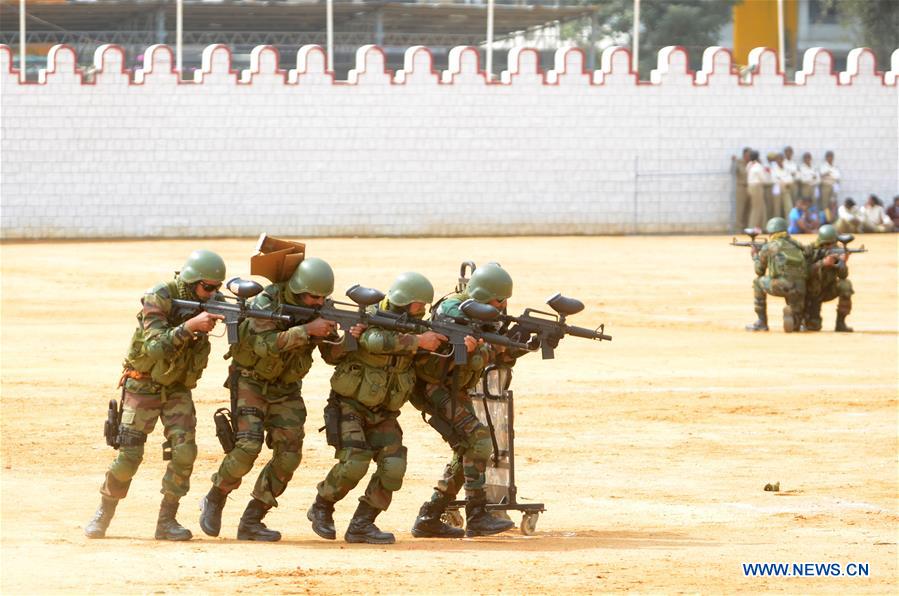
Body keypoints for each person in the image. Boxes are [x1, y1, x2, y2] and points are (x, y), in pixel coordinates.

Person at [199, 257, 351, 541]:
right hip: (251, 381)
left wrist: (345, 338)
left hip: (287, 388)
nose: (317, 302)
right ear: (297, 288)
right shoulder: (267, 302)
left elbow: (331, 356)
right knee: (247, 446)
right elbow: (263, 345)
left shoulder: (320, 309)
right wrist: (306, 331)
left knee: (289, 455)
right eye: (312, 296)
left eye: (322, 297)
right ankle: (215, 497)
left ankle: (253, 518)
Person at [84, 250, 228, 540]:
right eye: (207, 287)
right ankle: (104, 511)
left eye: (217, 288)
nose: (213, 294)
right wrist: (189, 327)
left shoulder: (212, 300)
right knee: (129, 456)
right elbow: (153, 347)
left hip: (177, 389)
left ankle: (167, 520)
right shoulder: (159, 296)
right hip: (143, 384)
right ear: (191, 281)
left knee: (185, 452)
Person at [308, 272, 447, 544]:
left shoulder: (416, 327)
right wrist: (419, 342)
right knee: (354, 462)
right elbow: (373, 340)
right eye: (419, 305)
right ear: (404, 301)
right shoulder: (369, 318)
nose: (423, 311)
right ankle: (322, 507)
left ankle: (362, 523)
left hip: (384, 411)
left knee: (394, 466)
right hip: (350, 406)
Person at [409, 263, 521, 539]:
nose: (504, 305)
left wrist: (518, 345)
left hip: (453, 387)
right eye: (499, 300)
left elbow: (490, 354)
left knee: (469, 448)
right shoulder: (453, 311)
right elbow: (462, 350)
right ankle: (476, 515)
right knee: (478, 441)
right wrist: (488, 347)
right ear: (482, 295)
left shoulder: (481, 316)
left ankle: (429, 517)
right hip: (433, 387)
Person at [746, 217, 807, 333]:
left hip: (782, 286)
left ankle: (761, 322)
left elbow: (759, 271)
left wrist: (755, 256)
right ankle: (798, 320)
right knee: (796, 326)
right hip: (800, 288)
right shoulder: (796, 244)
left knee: (758, 282)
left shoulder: (769, 247)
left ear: (771, 232)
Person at [803, 225, 854, 332]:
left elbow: (843, 276)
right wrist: (822, 263)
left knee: (845, 285)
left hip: (828, 290)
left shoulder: (838, 251)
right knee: (813, 327)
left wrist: (842, 263)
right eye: (827, 244)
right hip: (811, 294)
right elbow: (803, 273)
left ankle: (841, 323)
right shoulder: (810, 251)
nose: (830, 247)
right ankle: (804, 319)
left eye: (833, 244)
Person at [746, 150, 767, 229]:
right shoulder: (758, 166)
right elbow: (763, 179)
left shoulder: (749, 165)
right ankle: (752, 227)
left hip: (750, 186)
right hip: (757, 187)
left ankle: (759, 226)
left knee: (758, 207)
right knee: (756, 208)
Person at [770, 153, 794, 219]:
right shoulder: (773, 168)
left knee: (788, 207)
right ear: (776, 160)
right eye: (778, 159)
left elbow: (790, 179)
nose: (780, 160)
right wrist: (783, 181)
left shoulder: (786, 168)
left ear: (783, 160)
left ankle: (789, 225)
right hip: (777, 190)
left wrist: (784, 181)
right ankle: (777, 225)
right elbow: (774, 179)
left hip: (786, 189)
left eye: (781, 159)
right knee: (777, 208)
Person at [732, 147, 752, 229]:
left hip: (750, 188)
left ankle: (746, 229)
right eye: (748, 155)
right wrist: (733, 162)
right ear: (744, 155)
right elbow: (732, 171)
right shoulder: (738, 162)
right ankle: (738, 230)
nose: (749, 157)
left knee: (748, 210)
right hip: (741, 188)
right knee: (740, 210)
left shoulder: (752, 164)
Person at [818, 151, 841, 217]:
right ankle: (824, 219)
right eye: (829, 156)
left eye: (831, 156)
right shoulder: (823, 166)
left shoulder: (835, 166)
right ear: (826, 157)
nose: (830, 158)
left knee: (833, 203)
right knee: (824, 203)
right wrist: (828, 174)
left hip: (833, 186)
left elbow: (837, 176)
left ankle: (832, 218)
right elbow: (822, 174)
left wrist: (829, 174)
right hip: (825, 186)